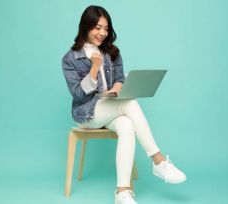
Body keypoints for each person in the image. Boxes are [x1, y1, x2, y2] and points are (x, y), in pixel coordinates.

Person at [62, 5, 186, 204]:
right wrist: (94, 67)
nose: (103, 33)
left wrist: (118, 87)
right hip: (87, 114)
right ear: (85, 27)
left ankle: (122, 192)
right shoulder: (70, 59)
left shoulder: (112, 52)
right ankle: (158, 160)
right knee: (129, 104)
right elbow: (77, 94)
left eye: (106, 28)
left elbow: (119, 77)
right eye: (97, 28)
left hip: (110, 107)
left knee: (127, 125)